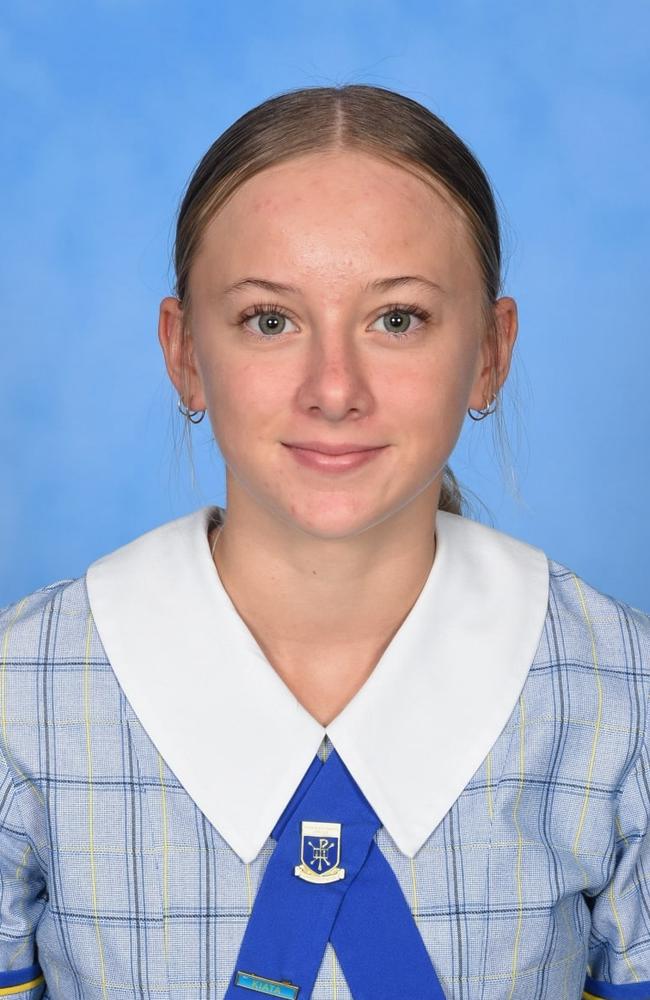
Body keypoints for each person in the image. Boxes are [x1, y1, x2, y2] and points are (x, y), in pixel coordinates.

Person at [0, 84, 648, 1000]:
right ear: (185, 353)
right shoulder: (19, 702)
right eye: (271, 319)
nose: (334, 388)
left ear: (491, 353)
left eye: (398, 319)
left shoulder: (625, 703)